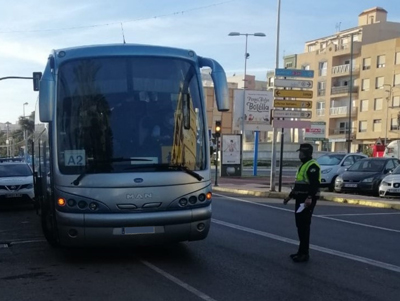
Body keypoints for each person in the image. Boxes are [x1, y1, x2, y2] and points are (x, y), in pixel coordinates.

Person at [283, 143, 321, 263]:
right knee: (300, 226)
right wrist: (290, 196)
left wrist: (309, 197)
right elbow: (300, 184)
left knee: (304, 227)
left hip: (306, 201)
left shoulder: (312, 166)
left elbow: (314, 185)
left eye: (301, 153)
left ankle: (304, 253)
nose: (299, 155)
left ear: (306, 153)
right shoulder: (304, 165)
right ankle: (300, 251)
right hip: (300, 199)